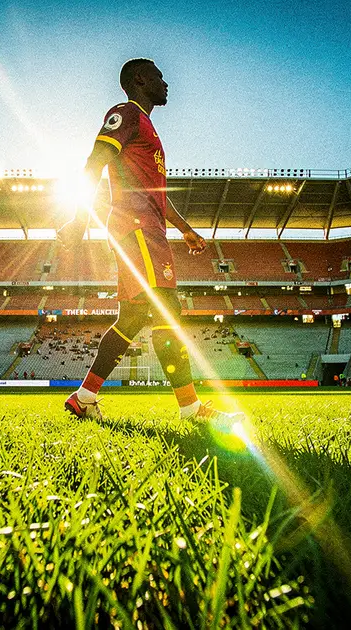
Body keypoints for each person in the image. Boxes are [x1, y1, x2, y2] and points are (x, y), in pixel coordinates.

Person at [57, 58, 243, 426]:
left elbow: (156, 194)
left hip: (144, 228)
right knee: (167, 309)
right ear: (140, 79)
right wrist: (79, 219)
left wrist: (185, 229)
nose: (165, 82)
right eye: (159, 75)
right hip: (137, 227)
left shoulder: (147, 126)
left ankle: (84, 398)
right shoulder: (126, 114)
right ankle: (191, 409)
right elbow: (94, 162)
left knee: (131, 318)